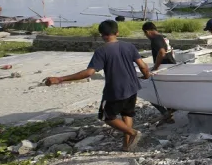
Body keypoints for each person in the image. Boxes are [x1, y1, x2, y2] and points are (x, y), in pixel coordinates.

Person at [44, 20, 150, 152]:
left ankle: (133, 133)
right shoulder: (129, 46)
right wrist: (146, 75)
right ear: (117, 32)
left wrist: (60, 79)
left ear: (101, 35)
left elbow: (89, 72)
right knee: (127, 114)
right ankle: (126, 145)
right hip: (133, 87)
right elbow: (143, 65)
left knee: (106, 117)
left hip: (115, 90)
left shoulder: (102, 51)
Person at [142, 22, 176, 123]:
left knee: (150, 92)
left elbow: (161, 52)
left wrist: (155, 67)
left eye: (145, 34)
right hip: (171, 66)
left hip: (163, 68)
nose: (146, 36)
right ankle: (170, 110)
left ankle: (166, 114)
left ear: (147, 31)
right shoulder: (164, 37)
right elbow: (171, 51)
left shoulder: (155, 39)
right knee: (167, 91)